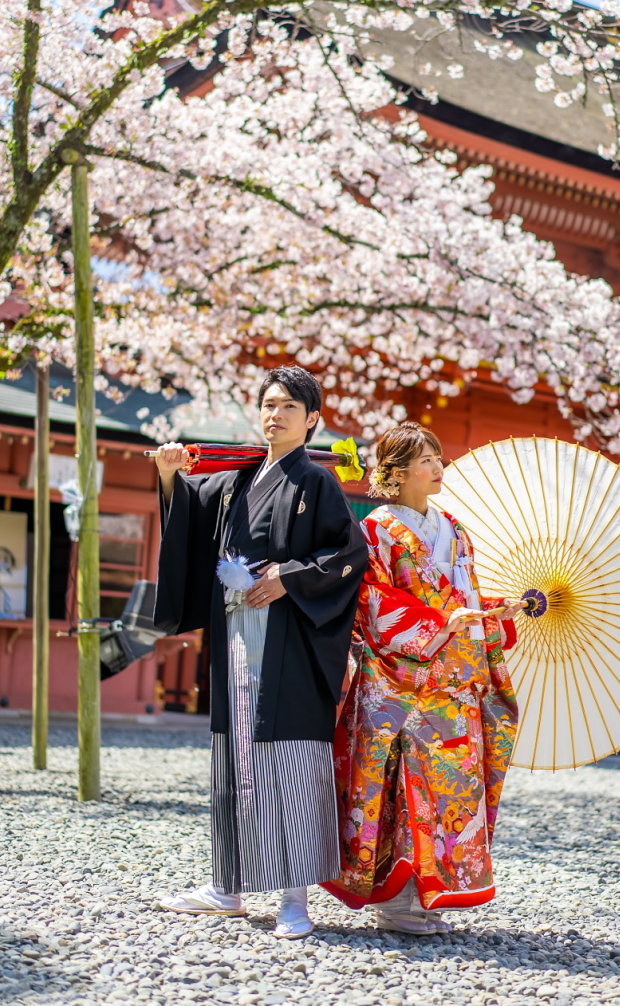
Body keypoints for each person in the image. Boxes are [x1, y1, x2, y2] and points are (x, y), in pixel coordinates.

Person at [152, 366, 368, 938]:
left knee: (289, 758)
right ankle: (228, 886)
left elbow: (349, 554)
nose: (276, 415)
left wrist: (288, 578)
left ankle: (295, 899)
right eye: (269, 404)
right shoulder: (239, 478)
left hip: (290, 638)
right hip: (236, 631)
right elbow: (191, 519)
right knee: (235, 754)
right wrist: (171, 477)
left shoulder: (316, 482)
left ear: (313, 419)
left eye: (290, 406)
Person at [323, 422, 523, 934]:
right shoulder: (376, 529)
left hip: (455, 680)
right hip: (399, 682)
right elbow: (372, 601)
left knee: (450, 792)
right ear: (396, 472)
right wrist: (439, 624)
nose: (438, 467)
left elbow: (464, 597)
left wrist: (497, 611)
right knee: (399, 787)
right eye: (426, 460)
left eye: (438, 457)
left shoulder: (453, 528)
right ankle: (396, 902)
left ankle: (427, 895)